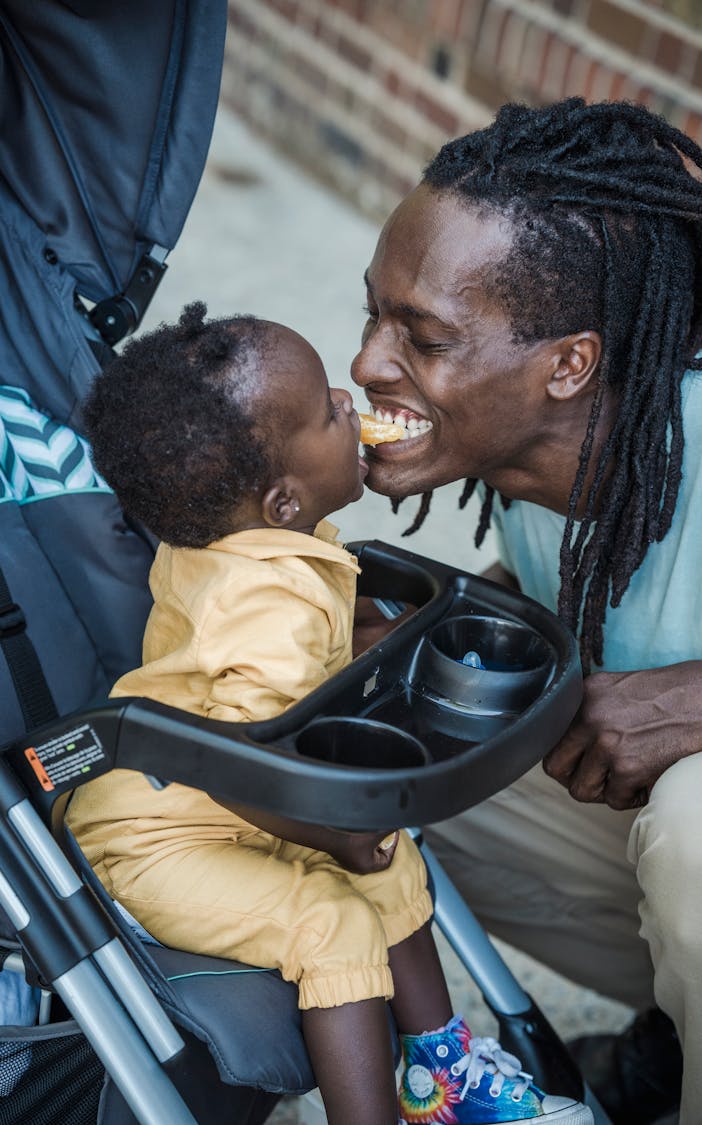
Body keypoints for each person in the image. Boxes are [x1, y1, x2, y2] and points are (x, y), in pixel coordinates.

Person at [65, 302, 590, 1125]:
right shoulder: (269, 602)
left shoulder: (235, 541)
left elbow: (283, 667)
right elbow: (229, 757)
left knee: (395, 864)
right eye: (326, 413)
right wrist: (331, 832)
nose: (350, 403)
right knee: (333, 921)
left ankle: (439, 1080)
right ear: (280, 500)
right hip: (159, 836)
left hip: (221, 800)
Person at [349, 96, 702, 1125]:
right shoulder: (526, 455)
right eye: (373, 314)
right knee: (346, 742)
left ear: (570, 365)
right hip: (651, 892)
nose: (369, 363)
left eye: (424, 337)